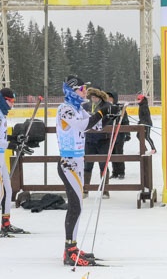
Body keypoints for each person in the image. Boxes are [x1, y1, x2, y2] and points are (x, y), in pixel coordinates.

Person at [56, 75, 109, 266]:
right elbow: (82, 125)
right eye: (81, 89)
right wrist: (101, 113)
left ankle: (73, 247)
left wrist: (109, 114)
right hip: (68, 163)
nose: (84, 92)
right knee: (75, 206)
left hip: (78, 161)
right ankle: (69, 250)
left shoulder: (79, 109)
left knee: (77, 206)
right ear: (72, 90)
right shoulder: (65, 109)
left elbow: (97, 125)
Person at [0, 87, 27, 237]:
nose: (12, 104)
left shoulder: (2, 115)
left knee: (8, 190)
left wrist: (15, 139)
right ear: (3, 100)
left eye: (14, 101)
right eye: (11, 101)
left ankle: (6, 223)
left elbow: (2, 137)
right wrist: (13, 145)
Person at [82, 87, 111, 195]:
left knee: (103, 165)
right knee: (87, 164)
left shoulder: (106, 106)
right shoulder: (85, 106)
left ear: (100, 97)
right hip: (89, 139)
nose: (93, 99)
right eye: (92, 97)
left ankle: (105, 190)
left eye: (95, 97)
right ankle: (85, 189)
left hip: (103, 139)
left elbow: (110, 119)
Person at [104, 91, 130, 180]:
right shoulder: (106, 108)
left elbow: (125, 121)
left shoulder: (120, 108)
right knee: (111, 153)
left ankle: (121, 172)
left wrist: (127, 133)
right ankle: (115, 172)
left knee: (119, 153)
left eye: (110, 98)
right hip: (109, 135)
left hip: (119, 135)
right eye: (107, 97)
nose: (109, 99)